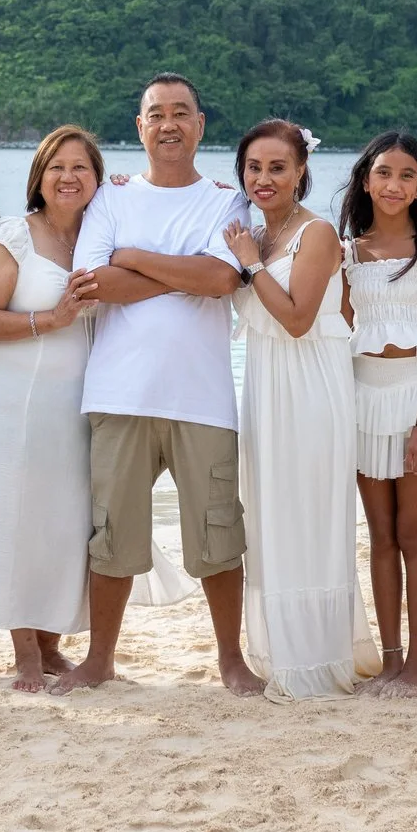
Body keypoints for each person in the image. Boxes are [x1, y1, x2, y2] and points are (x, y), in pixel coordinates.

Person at [53, 74, 260, 696]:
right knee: (111, 534)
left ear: (200, 125)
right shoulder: (111, 201)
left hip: (202, 397)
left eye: (181, 113)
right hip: (119, 394)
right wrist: (185, 272)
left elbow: (225, 280)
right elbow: (92, 285)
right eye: (155, 114)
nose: (168, 123)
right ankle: (100, 659)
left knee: (218, 533)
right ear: (139, 127)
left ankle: (231, 660)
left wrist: (134, 258)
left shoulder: (226, 201)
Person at [227, 119, 374, 698]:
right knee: (268, 512)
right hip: (265, 384)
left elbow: (295, 319)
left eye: (278, 168)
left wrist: (250, 263)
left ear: (301, 172)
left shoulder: (314, 234)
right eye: (254, 168)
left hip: (310, 385)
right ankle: (283, 650)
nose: (264, 179)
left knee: (306, 512)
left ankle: (315, 659)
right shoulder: (255, 232)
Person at [0, 126, 102, 691]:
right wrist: (52, 320)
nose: (68, 178)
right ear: (38, 177)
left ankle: (51, 642)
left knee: (64, 520)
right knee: (16, 514)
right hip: (16, 400)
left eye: (81, 168)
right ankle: (23, 652)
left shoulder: (100, 236)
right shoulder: (14, 235)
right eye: (57, 167)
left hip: (79, 402)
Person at [339, 132, 417, 698]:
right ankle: (390, 660)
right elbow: (337, 336)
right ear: (367, 180)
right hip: (361, 401)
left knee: (415, 533)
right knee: (379, 536)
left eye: (407, 175)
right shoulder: (345, 253)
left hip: (414, 399)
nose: (394, 184)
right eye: (384, 173)